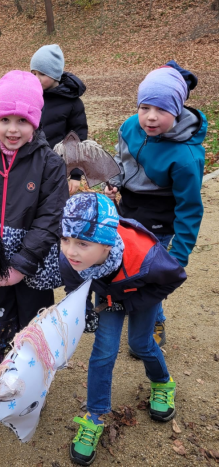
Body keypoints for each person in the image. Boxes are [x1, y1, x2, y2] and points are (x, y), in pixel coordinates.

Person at [0, 70, 69, 414]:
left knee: (34, 324)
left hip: (33, 263)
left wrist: (22, 264)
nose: (11, 128)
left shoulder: (50, 164)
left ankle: (35, 384)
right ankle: (7, 379)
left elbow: (50, 219)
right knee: (2, 318)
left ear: (34, 122)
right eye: (4, 119)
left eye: (21, 120)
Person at [59, 193, 186, 466]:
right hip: (109, 296)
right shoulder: (71, 258)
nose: (70, 250)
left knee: (141, 344)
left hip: (141, 293)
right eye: (65, 239)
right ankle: (94, 416)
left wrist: (131, 302)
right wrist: (82, 310)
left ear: (106, 246)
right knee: (103, 353)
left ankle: (163, 382)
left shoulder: (147, 256)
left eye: (82, 243)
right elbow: (73, 285)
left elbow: (174, 278)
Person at [105, 64, 206, 347]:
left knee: (149, 278)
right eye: (145, 107)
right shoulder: (129, 127)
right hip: (128, 213)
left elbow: (190, 209)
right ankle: (134, 307)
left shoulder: (187, 157)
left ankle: (154, 319)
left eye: (161, 110)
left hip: (159, 226)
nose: (150, 117)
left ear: (176, 110)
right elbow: (121, 160)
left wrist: (179, 257)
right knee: (125, 266)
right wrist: (115, 181)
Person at [30, 44, 88, 195]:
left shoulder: (72, 103)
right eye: (33, 73)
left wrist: (75, 174)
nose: (36, 79)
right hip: (29, 166)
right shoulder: (30, 97)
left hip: (56, 168)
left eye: (41, 74)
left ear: (55, 74)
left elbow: (77, 139)